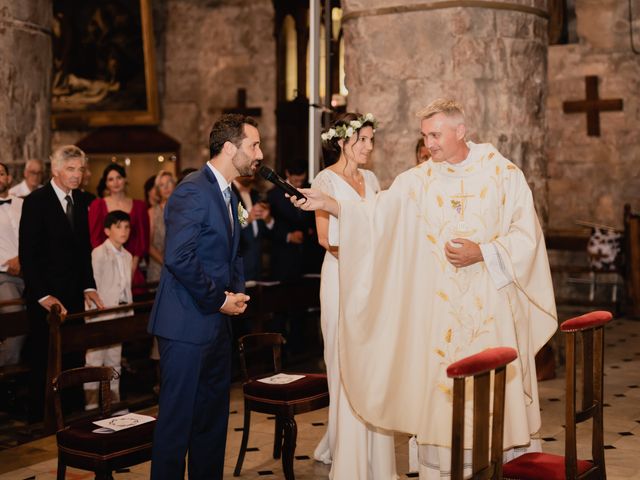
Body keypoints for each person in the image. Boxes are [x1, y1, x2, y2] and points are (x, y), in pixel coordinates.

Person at [290, 99, 558, 479]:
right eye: (425, 135)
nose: (428, 143)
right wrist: (332, 204)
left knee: (492, 406)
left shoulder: (502, 173)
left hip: (490, 309)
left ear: (460, 131)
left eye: (435, 134)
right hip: (439, 317)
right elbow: (376, 216)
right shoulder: (418, 180)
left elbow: (527, 236)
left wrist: (483, 252)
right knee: (439, 403)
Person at [148, 114, 257, 479]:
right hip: (185, 324)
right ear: (230, 148)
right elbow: (179, 257)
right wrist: (218, 299)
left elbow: (232, 253)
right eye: (253, 145)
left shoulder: (229, 195)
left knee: (212, 422)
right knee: (177, 424)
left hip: (216, 325)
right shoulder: (193, 189)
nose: (259, 153)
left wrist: (237, 293)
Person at [311, 113, 398, 479]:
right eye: (362, 139)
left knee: (372, 362)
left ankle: (375, 455)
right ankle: (346, 447)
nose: (368, 147)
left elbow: (380, 228)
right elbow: (325, 239)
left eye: (371, 140)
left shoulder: (373, 179)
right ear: (343, 141)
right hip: (341, 277)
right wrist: (364, 256)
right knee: (342, 357)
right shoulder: (325, 179)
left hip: (370, 280)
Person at [19, 145, 103, 421]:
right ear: (55, 170)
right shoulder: (36, 202)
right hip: (46, 299)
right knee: (46, 360)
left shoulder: (78, 200)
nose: (77, 175)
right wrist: (42, 296)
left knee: (74, 357)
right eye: (70, 169)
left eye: (80, 169)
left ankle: (72, 417)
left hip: (73, 294)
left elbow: (84, 249)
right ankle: (43, 420)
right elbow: (28, 255)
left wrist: (89, 286)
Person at [84, 210, 132, 409]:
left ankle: (114, 405)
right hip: (100, 314)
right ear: (106, 230)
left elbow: (125, 288)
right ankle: (92, 406)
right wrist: (94, 313)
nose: (124, 231)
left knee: (114, 360)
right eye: (118, 226)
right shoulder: (98, 253)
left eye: (127, 226)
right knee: (95, 361)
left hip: (119, 314)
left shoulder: (128, 255)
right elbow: (92, 288)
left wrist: (128, 313)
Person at [88, 164, 149, 291]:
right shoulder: (97, 205)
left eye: (119, 177)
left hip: (132, 264)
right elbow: (95, 238)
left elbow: (142, 239)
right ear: (106, 183)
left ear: (125, 179)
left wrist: (132, 266)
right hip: (106, 265)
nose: (115, 182)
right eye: (111, 179)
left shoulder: (139, 206)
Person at [267, 163, 321, 282]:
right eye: (296, 180)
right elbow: (268, 227)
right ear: (287, 173)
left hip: (306, 255)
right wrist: (288, 236)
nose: (299, 184)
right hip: (283, 256)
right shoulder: (273, 195)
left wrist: (308, 231)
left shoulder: (310, 189)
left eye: (302, 180)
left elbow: (313, 218)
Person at [0, 162, 25, 366]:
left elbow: (35, 236)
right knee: (15, 326)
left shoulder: (23, 203)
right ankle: (6, 376)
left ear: (8, 178)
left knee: (40, 327)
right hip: (4, 276)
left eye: (1, 174)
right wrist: (6, 263)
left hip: (31, 274)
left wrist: (23, 258)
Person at [232, 175, 272, 281]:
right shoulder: (228, 193)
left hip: (257, 265)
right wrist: (248, 219)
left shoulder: (257, 194)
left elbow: (267, 231)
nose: (252, 171)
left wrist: (268, 219)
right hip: (237, 267)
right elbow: (226, 230)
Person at [147, 170, 176, 283]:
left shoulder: (183, 210)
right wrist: (166, 263)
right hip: (158, 268)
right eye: (162, 185)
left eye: (169, 183)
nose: (166, 187)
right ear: (158, 189)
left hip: (182, 267)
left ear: (175, 184)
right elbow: (148, 245)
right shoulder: (152, 212)